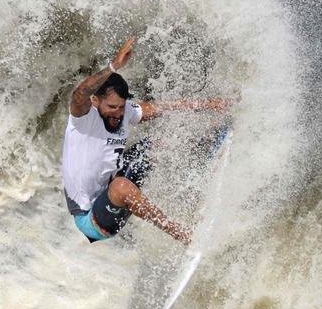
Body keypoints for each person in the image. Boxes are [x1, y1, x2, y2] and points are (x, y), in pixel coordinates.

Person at [61, 37, 229, 244]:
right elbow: (79, 93)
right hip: (92, 219)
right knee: (121, 187)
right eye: (111, 107)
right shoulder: (83, 120)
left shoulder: (126, 111)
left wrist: (210, 104)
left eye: (121, 106)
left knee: (159, 142)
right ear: (96, 101)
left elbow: (163, 107)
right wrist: (114, 66)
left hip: (111, 191)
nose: (117, 113)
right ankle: (184, 235)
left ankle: (214, 140)